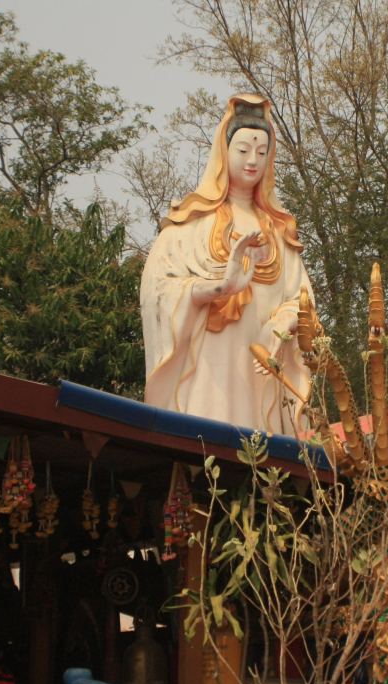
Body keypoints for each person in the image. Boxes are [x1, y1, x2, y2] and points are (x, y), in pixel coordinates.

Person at [141, 93, 314, 435]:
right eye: (243, 150)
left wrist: (281, 323)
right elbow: (156, 289)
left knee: (261, 448)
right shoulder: (192, 225)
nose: (252, 161)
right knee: (208, 445)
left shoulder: (280, 235)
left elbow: (303, 300)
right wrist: (218, 288)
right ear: (224, 152)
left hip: (260, 380)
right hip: (207, 379)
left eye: (262, 153)